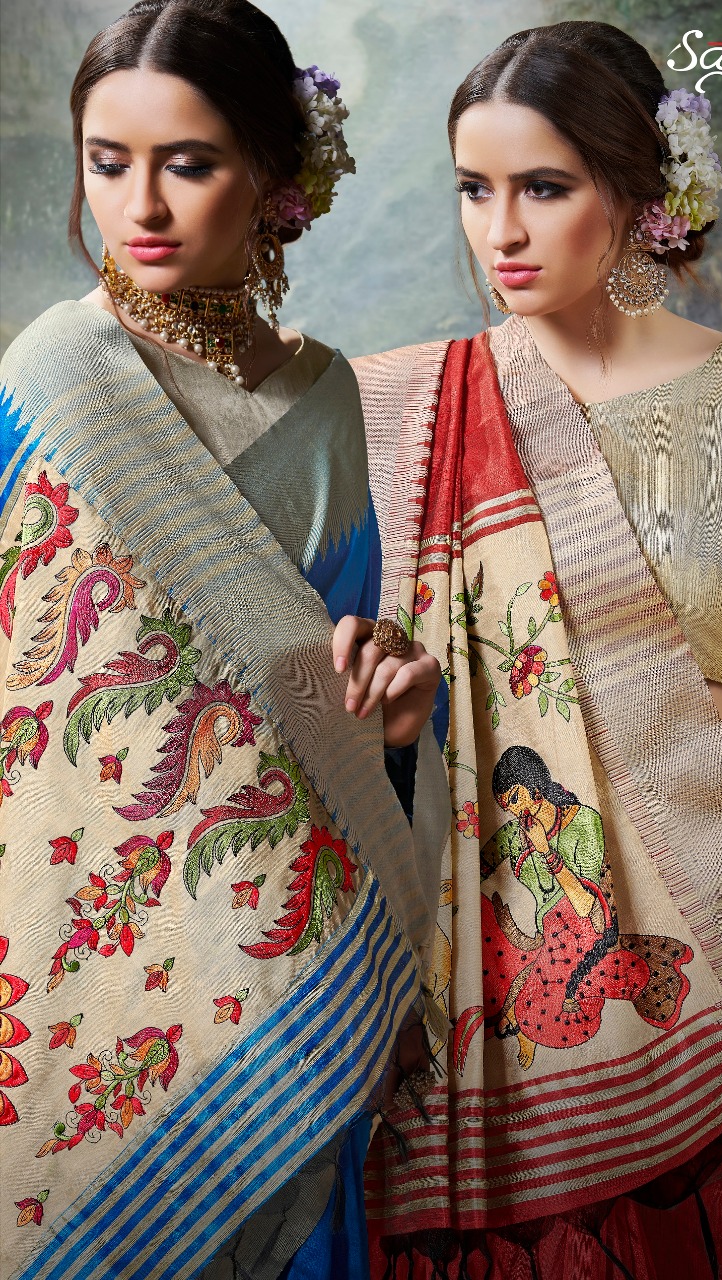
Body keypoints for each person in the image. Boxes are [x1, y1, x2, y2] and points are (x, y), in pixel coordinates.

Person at [353, 20, 722, 1279]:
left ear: (636, 191)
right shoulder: (410, 405)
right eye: (473, 188)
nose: (498, 231)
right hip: (457, 975)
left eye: (543, 188)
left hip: (698, 957)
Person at [0, 3, 446, 1278]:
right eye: (107, 162)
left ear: (271, 174)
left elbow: (327, 688)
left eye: (187, 164)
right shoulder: (51, 379)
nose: (139, 205)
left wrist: (397, 717)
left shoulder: (324, 396)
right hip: (70, 943)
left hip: (285, 956)